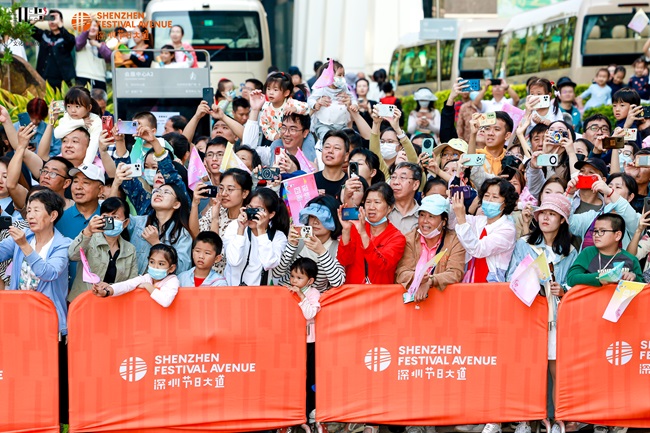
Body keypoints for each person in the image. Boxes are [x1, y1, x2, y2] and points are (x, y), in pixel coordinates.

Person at [506, 194, 578, 433]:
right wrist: (529, 282)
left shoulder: (570, 251)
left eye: (552, 214)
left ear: (563, 220)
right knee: (529, 368)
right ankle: (526, 420)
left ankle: (558, 419)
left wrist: (563, 289)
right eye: (542, 213)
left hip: (556, 318)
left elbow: (574, 284)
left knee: (557, 371)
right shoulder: (524, 244)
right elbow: (510, 278)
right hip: (528, 314)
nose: (545, 218)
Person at [0, 189, 71, 423]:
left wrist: (24, 247)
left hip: (49, 324)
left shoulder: (63, 244)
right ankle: (25, 418)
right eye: (28, 210)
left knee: (52, 375)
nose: (30, 215)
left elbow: (48, 272)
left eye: (36, 210)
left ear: (52, 216)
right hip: (19, 320)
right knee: (21, 372)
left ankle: (59, 422)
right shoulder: (24, 237)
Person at [395, 194, 466, 304]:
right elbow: (402, 271)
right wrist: (419, 279)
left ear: (443, 221)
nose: (425, 221)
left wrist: (430, 281)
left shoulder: (454, 241)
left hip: (444, 303)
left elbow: (455, 273)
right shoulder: (409, 239)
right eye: (422, 215)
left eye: (431, 216)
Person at [67, 197, 137, 302]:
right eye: (105, 216)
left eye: (115, 217)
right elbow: (72, 255)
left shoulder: (130, 249)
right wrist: (88, 231)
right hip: (84, 303)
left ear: (125, 223)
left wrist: (110, 287)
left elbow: (132, 283)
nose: (110, 220)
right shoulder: (89, 238)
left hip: (114, 305)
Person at [452, 177, 518, 283]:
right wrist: (453, 201)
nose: (489, 200)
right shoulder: (479, 221)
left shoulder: (508, 229)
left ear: (505, 203)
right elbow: (452, 222)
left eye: (495, 197)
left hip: (491, 284)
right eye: (486, 196)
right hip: (470, 278)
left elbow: (478, 249)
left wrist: (461, 217)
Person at [337, 183, 406, 284]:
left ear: (390, 208)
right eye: (368, 202)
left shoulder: (397, 237)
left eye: (377, 202)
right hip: (353, 293)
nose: (371, 207)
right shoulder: (356, 228)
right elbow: (344, 260)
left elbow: (382, 264)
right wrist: (346, 230)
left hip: (379, 295)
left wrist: (363, 234)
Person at [273, 196, 345, 292]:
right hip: (287, 296)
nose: (315, 222)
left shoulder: (338, 247)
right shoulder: (298, 239)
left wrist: (322, 252)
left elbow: (338, 282)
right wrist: (291, 245)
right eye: (312, 216)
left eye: (322, 218)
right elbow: (277, 273)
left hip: (315, 302)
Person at [224, 187, 289, 286]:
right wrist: (240, 230)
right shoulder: (235, 226)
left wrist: (261, 232)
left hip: (259, 294)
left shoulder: (278, 236)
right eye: (250, 208)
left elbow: (269, 263)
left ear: (271, 214)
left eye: (258, 210)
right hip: (232, 290)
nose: (253, 213)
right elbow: (234, 261)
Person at [129, 183, 192, 275]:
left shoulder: (182, 233)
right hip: (134, 284)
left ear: (176, 204)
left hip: (164, 287)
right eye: (157, 191)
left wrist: (157, 244)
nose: (158, 194)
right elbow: (116, 219)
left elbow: (183, 268)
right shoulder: (138, 222)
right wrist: (116, 184)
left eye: (166, 192)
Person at [92, 244, 181, 308]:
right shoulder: (146, 277)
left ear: (171, 268)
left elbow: (165, 301)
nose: (155, 267)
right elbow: (127, 285)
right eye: (152, 262)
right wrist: (106, 292)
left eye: (161, 264)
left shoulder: (172, 281)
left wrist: (147, 286)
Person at [567, 213, 643, 286]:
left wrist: (634, 277)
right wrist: (599, 278)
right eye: (595, 231)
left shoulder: (631, 259)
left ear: (617, 235)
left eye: (602, 231)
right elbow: (571, 278)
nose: (596, 235)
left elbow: (643, 286)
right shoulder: (588, 253)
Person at [286, 257, 320, 420]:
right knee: (292, 376)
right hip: (291, 341)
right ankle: (293, 411)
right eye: (292, 276)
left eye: (299, 278)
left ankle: (311, 410)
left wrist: (300, 296)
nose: (294, 280)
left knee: (310, 377)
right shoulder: (287, 290)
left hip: (309, 342)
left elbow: (310, 314)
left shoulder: (313, 293)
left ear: (310, 280)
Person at [53, 86, 102, 166]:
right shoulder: (67, 116)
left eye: (77, 106)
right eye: (69, 106)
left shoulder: (95, 121)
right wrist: (81, 122)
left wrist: (85, 166)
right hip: (67, 158)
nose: (72, 110)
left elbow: (93, 146)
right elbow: (57, 134)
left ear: (89, 107)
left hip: (91, 161)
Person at [308, 60, 356, 141]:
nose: (342, 78)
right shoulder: (321, 88)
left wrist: (354, 104)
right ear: (329, 76)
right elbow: (311, 99)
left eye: (343, 75)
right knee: (327, 139)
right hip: (324, 124)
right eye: (339, 75)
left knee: (345, 140)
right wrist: (315, 104)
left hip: (341, 124)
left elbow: (352, 97)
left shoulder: (343, 87)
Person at [32, 9, 76, 89]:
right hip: (43, 80)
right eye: (50, 19)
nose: (52, 22)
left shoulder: (67, 37)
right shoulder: (44, 35)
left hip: (62, 83)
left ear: (61, 21)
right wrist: (37, 18)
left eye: (55, 18)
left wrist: (60, 25)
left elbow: (71, 41)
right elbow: (27, 28)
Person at [260, 73, 309, 142]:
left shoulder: (291, 103)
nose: (271, 93)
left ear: (286, 93)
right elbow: (264, 125)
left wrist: (295, 109)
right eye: (268, 89)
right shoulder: (266, 107)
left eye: (275, 90)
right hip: (280, 139)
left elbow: (307, 108)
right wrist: (274, 136)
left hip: (299, 139)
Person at [75, 18, 112, 90]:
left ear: (99, 29)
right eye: (89, 26)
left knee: (100, 101)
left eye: (95, 26)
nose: (92, 27)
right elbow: (78, 44)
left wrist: (98, 45)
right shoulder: (79, 41)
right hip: (83, 77)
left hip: (100, 78)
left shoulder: (102, 44)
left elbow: (109, 57)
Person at [314, 130, 349, 201]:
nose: (330, 151)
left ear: (346, 156)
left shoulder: (349, 184)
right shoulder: (311, 181)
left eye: (336, 148)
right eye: (327, 147)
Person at [388, 162, 421, 235]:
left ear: (415, 185)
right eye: (393, 177)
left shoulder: (422, 216)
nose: (395, 182)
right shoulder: (383, 211)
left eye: (402, 178)